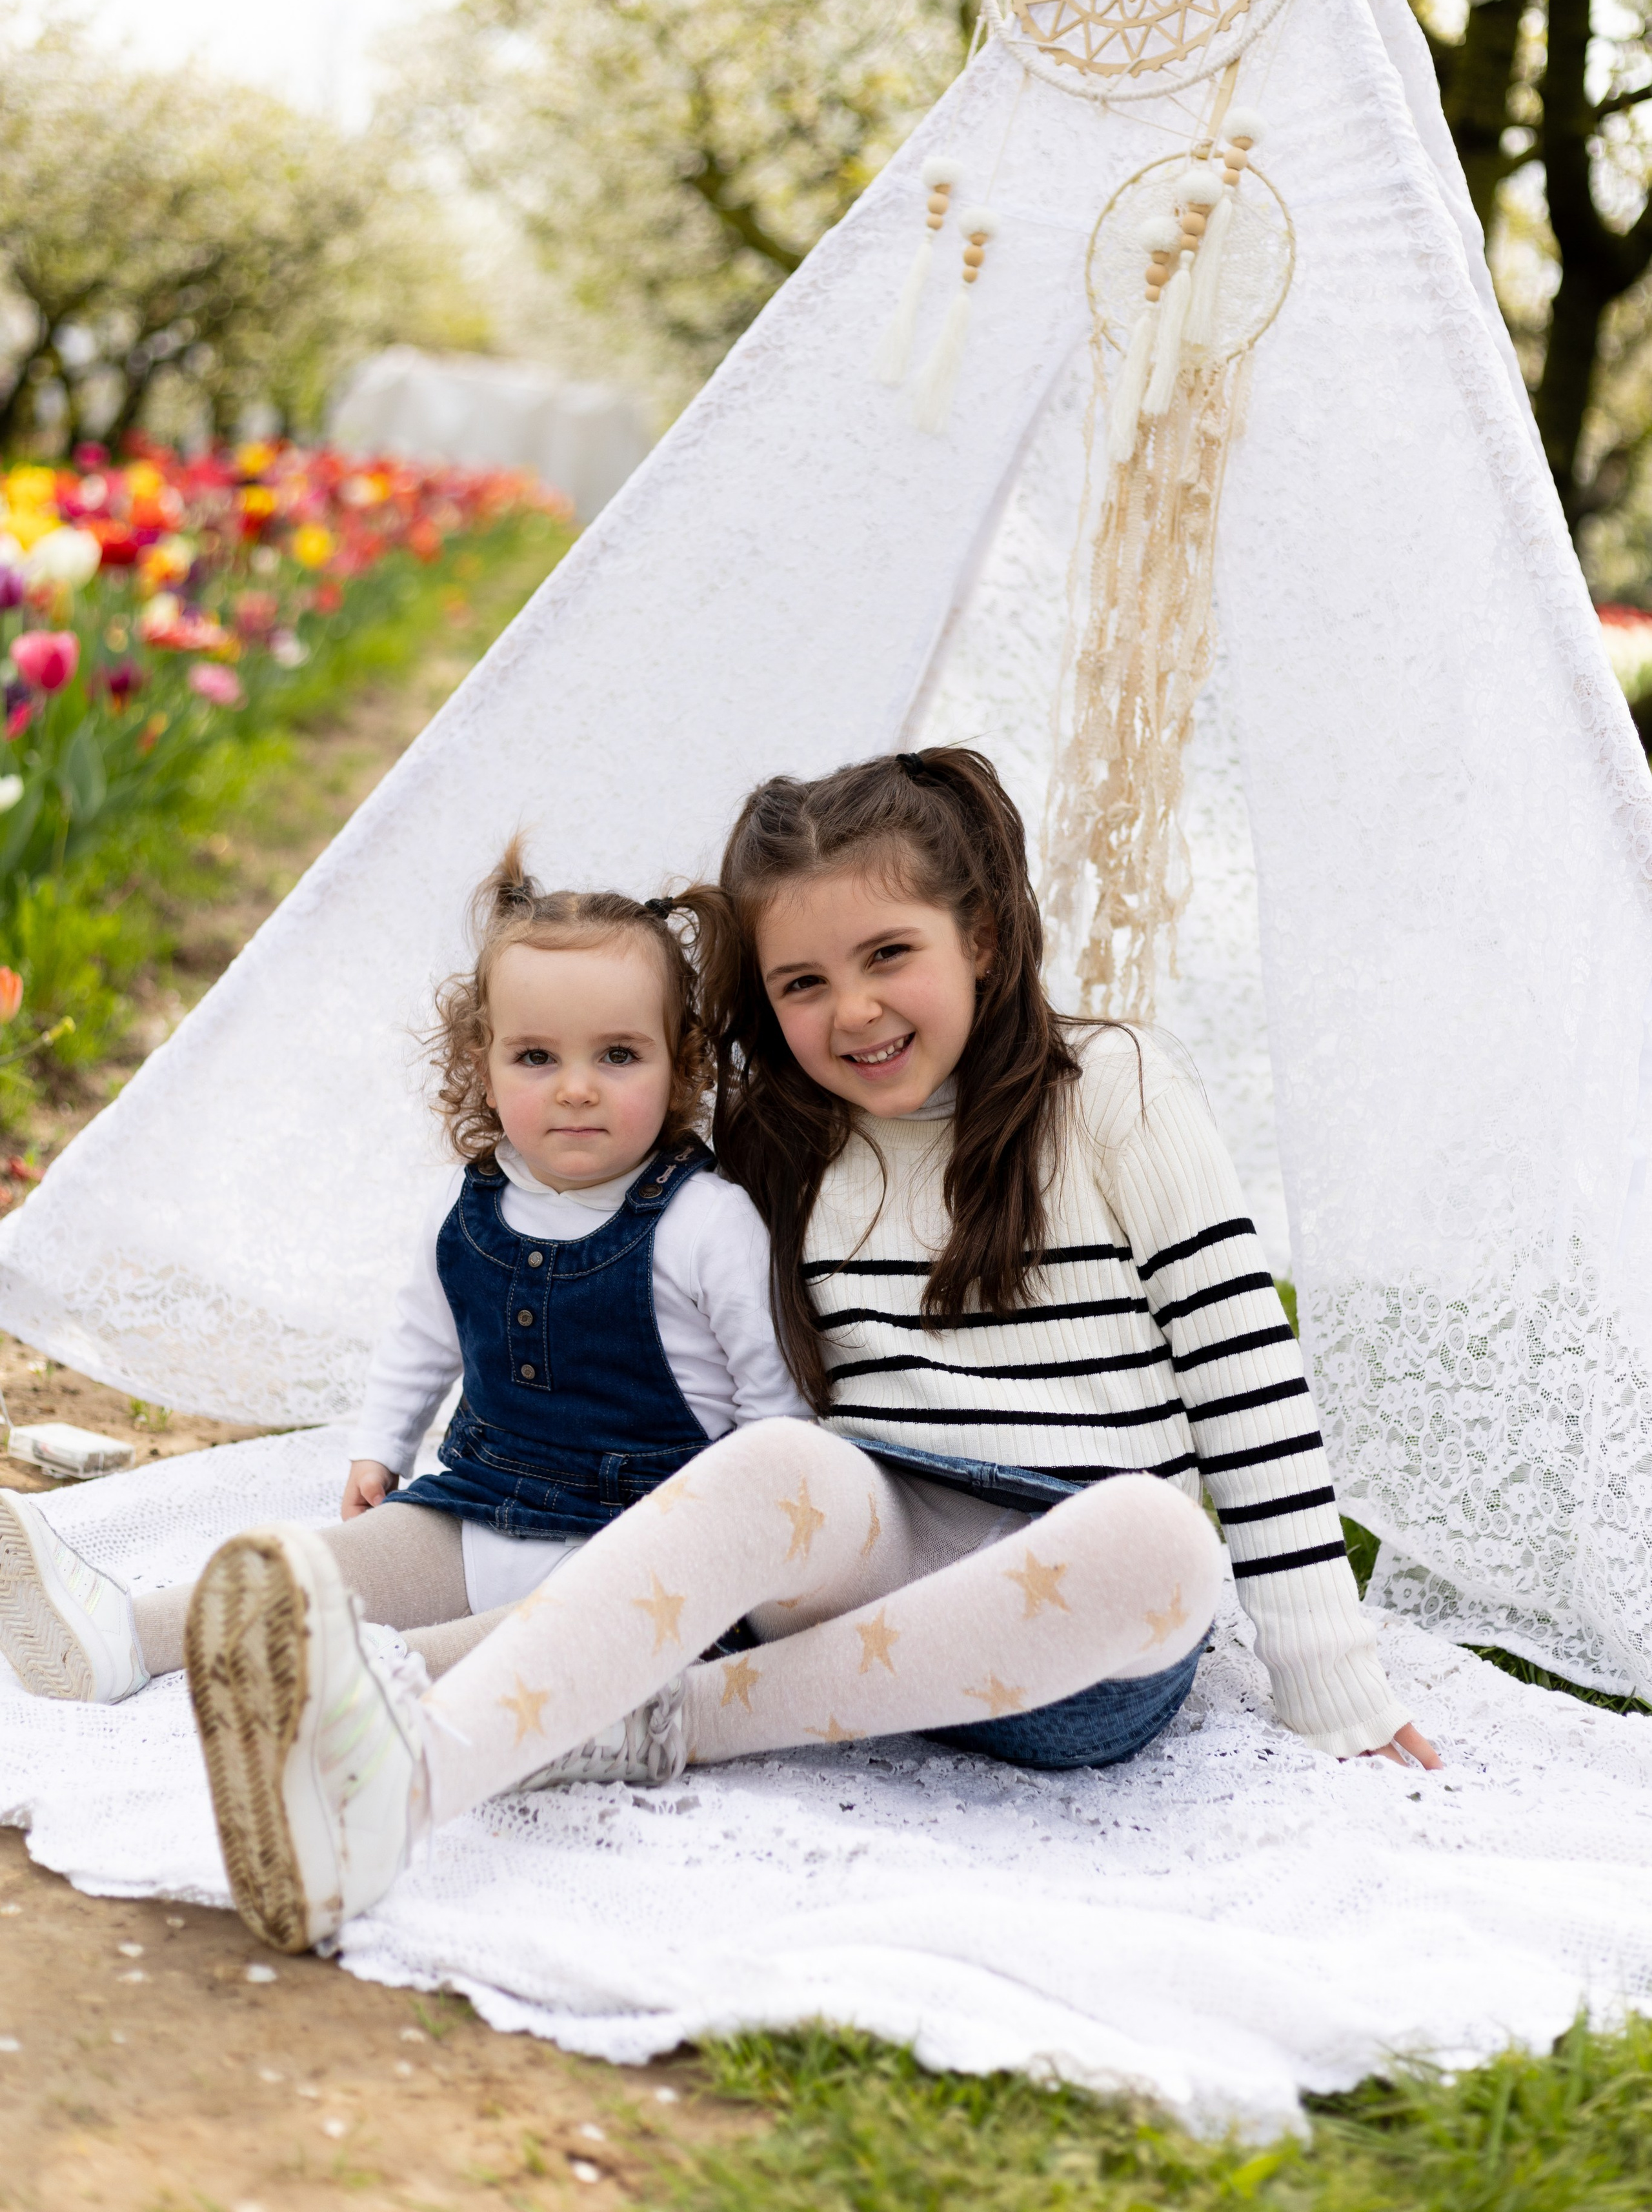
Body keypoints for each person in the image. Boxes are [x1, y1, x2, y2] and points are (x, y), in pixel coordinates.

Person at [186, 745, 1437, 1955]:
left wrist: (1327, 1677)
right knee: (778, 1461)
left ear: (983, 940)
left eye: (889, 954)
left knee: (1161, 1539)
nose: (852, 1010)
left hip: (1072, 1653)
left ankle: (567, 1719)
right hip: (870, 1585)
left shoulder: (1109, 1091)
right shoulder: (779, 1145)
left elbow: (1244, 1380)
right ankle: (384, 1755)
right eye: (800, 984)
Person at [0, 845, 808, 1747]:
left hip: (638, 1542)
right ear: (484, 1065)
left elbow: (770, 1404)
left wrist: (750, 1543)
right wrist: (381, 1448)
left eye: (619, 1054)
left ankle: (362, 1695)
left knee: (547, 1641)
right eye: (537, 1056)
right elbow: (422, 1339)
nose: (577, 1087)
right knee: (329, 1565)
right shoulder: (468, 1210)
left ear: (681, 1063)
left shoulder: (707, 1222)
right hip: (483, 1503)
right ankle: (127, 1637)